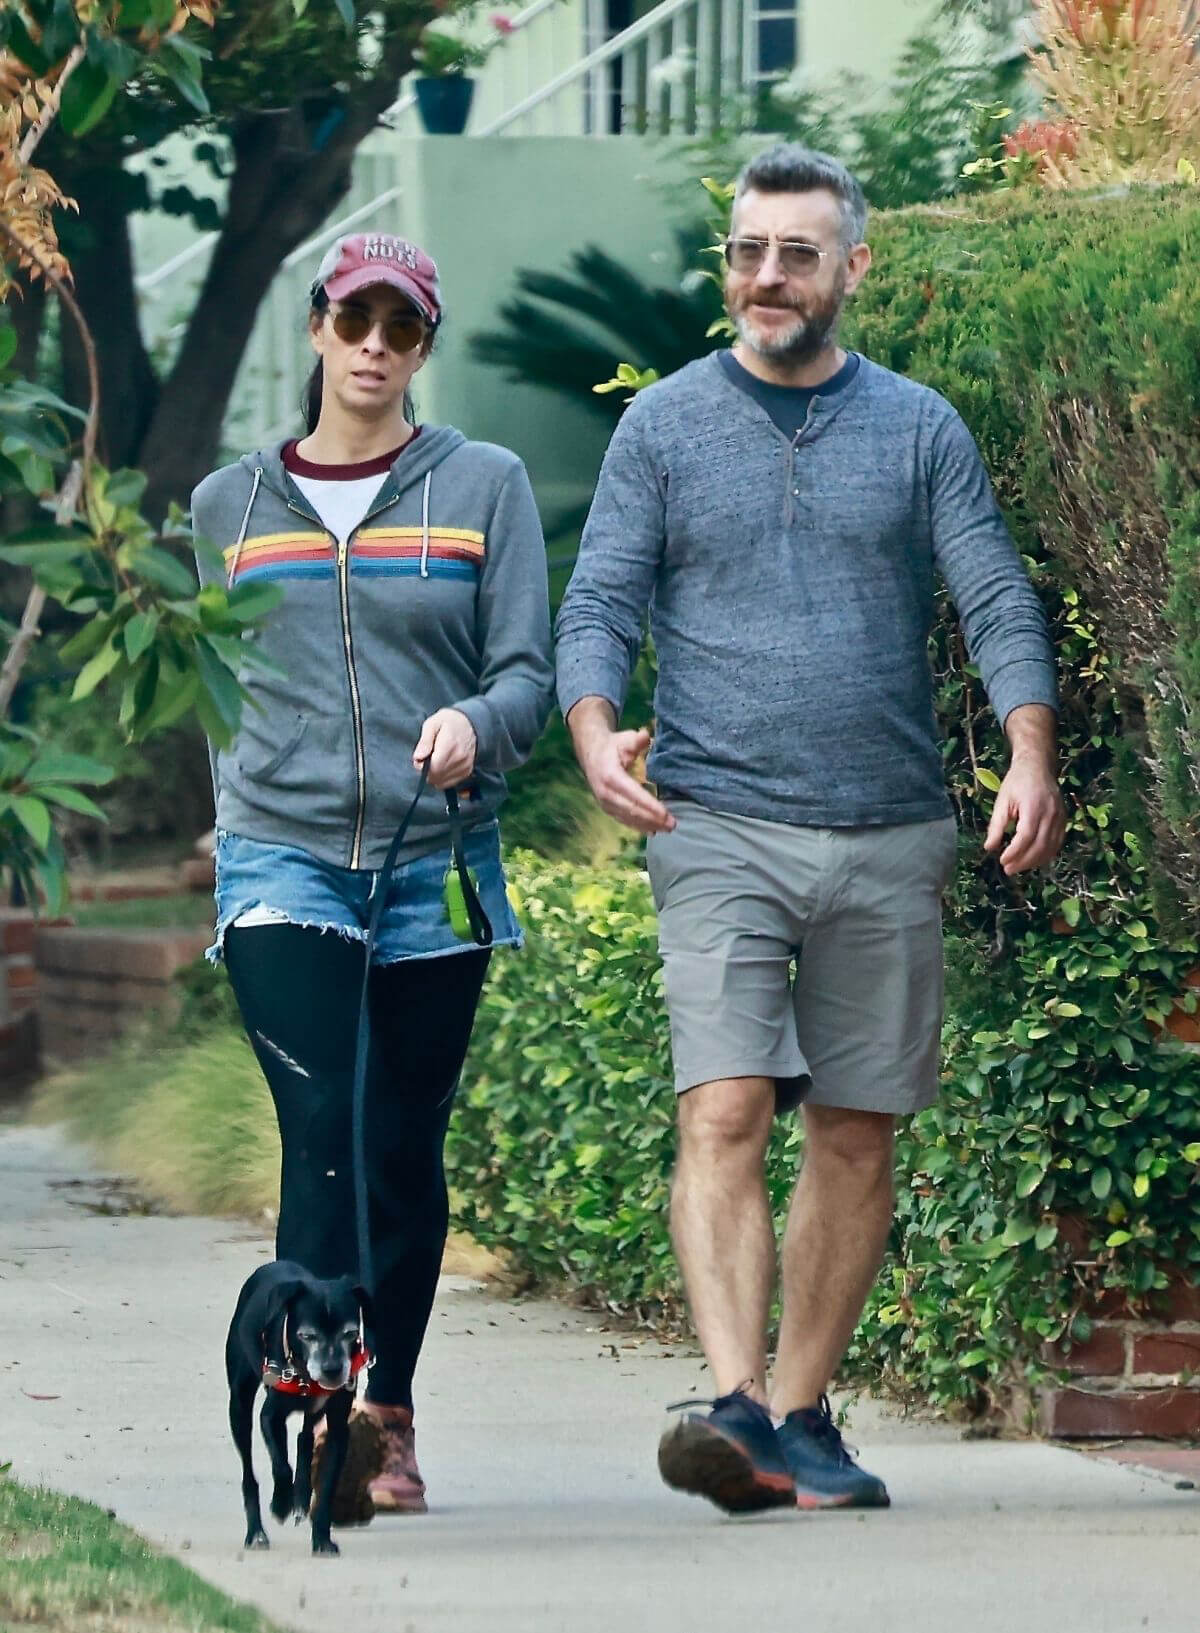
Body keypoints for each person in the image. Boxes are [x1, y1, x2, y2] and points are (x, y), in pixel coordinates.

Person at [555, 143, 1065, 1515]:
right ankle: (732, 1409)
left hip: (889, 829)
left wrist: (1029, 751)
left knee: (853, 1132)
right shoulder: (661, 426)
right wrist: (597, 728)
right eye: (745, 252)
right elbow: (598, 599)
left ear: (852, 267)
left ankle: (797, 1413)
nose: (765, 277)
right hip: (715, 816)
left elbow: (996, 600)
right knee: (722, 1105)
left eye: (793, 252)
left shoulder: (918, 428)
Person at [191, 231, 553, 1516]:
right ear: (317, 330)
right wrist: (229, 817)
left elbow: (528, 673)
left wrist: (480, 724)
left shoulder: (485, 483)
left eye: (403, 332)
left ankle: (387, 1409)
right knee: (324, 1133)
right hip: (283, 860)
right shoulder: (225, 506)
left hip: (431, 862)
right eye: (357, 324)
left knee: (400, 1147)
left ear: (423, 348)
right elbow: (214, 688)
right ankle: (316, 1414)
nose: (376, 351)